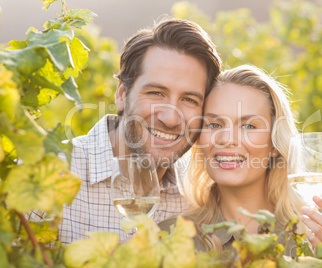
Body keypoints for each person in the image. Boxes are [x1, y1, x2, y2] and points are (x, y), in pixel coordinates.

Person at [28, 18, 221, 245]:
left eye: (189, 99)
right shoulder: (43, 178)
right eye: (156, 93)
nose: (170, 119)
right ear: (121, 95)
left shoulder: (200, 197)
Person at [159, 65, 322, 257]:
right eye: (214, 124)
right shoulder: (171, 239)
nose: (227, 139)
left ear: (274, 144)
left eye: (248, 126)